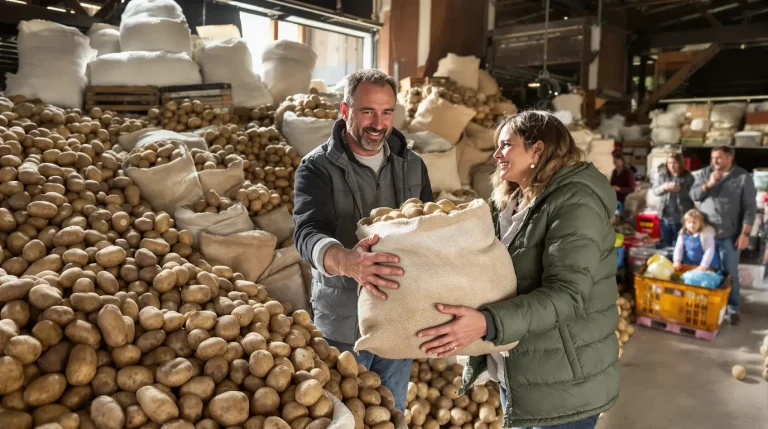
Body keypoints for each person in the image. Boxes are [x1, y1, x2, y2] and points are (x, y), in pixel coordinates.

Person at [416, 111, 619, 429]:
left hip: (563, 383)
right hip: (525, 370)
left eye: (506, 145)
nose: (496, 154)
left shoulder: (576, 203)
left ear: (537, 150)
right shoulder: (513, 202)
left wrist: (488, 322)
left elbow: (567, 295)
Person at [292, 69, 433, 411]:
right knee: (342, 415)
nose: (378, 124)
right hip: (343, 324)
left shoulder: (413, 165)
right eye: (368, 111)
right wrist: (346, 262)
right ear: (345, 111)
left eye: (386, 112)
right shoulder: (316, 167)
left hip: (398, 318)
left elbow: (430, 229)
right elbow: (307, 233)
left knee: (391, 414)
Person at [690, 145, 756, 325]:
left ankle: (733, 308)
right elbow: (693, 194)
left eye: (719, 157)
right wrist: (709, 184)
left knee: (729, 273)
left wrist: (745, 234)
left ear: (730, 158)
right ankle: (707, 305)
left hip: (729, 234)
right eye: (713, 158)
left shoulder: (743, 177)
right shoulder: (706, 173)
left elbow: (750, 209)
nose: (715, 161)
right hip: (705, 234)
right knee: (705, 270)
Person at [653, 153, 694, 247]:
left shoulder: (689, 177)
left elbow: (694, 195)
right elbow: (654, 191)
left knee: (679, 245)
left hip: (682, 217)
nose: (672, 165)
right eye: (669, 163)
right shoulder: (662, 175)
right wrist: (663, 188)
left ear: (680, 163)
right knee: (666, 244)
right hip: (665, 216)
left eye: (674, 163)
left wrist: (680, 190)